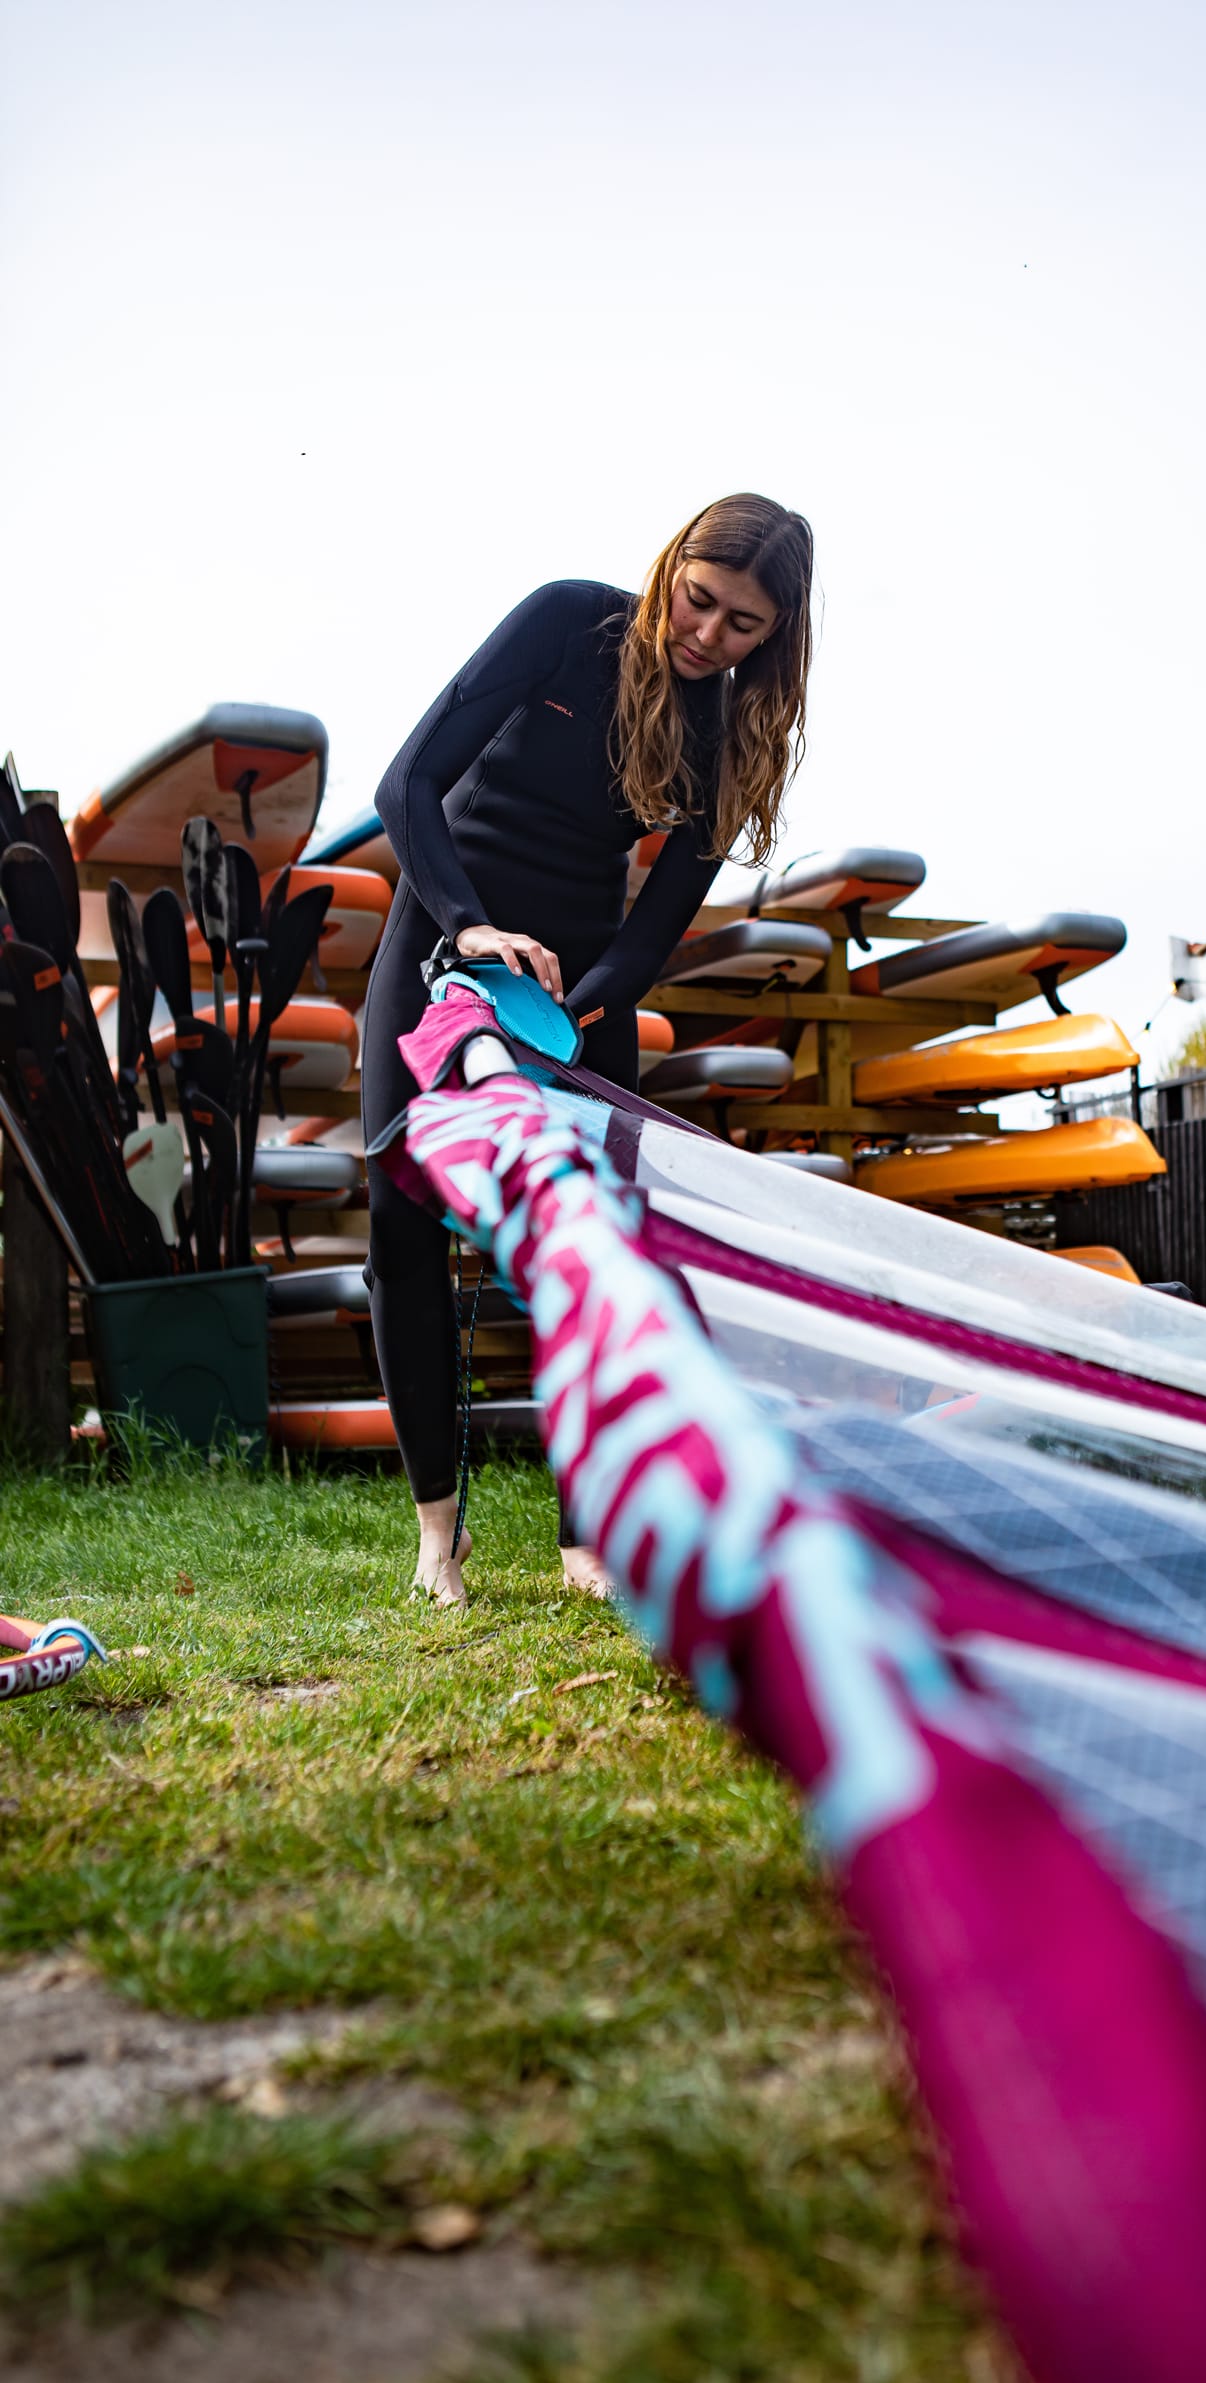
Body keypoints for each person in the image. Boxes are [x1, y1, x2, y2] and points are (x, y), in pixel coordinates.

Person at [361, 493, 815, 1603]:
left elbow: (661, 915)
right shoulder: (569, 623)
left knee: (597, 1239)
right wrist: (470, 929)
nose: (705, 636)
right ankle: (438, 1537)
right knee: (402, 1223)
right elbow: (405, 785)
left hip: (579, 978)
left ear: (776, 638)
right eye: (698, 601)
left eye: (742, 626)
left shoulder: (727, 728)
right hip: (442, 929)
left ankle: (585, 1538)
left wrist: (577, 1010)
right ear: (671, 569)